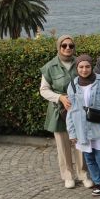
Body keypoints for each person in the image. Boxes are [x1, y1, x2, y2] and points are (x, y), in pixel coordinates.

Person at [39, 35, 92, 189]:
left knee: (80, 142)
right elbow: (44, 90)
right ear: (59, 47)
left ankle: (83, 174)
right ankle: (68, 175)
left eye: (70, 45)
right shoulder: (50, 66)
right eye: (64, 45)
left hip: (78, 110)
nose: (68, 48)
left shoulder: (80, 63)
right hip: (59, 111)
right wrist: (60, 97)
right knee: (63, 145)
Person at [66, 55, 100, 196]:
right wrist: (72, 133)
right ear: (77, 68)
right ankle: (98, 183)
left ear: (91, 66)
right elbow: (71, 111)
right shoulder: (73, 84)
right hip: (82, 129)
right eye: (81, 67)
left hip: (99, 127)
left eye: (87, 66)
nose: (84, 69)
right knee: (89, 158)